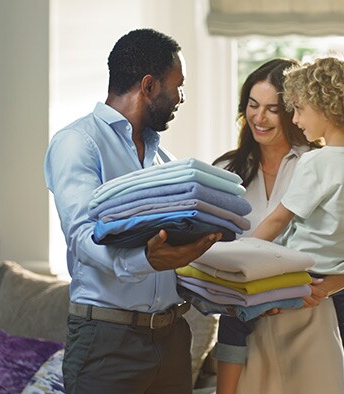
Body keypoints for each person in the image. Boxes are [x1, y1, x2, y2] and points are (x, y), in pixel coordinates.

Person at [44, 29, 222, 394]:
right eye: (178, 86)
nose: (181, 97)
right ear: (149, 86)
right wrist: (144, 259)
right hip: (108, 343)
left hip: (172, 338)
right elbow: (82, 237)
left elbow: (174, 249)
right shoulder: (78, 142)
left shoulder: (164, 160)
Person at [212, 58, 344, 394]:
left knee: (239, 317)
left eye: (278, 109)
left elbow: (280, 221)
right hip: (295, 288)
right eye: (252, 105)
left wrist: (240, 258)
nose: (259, 117)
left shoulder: (314, 160)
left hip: (309, 288)